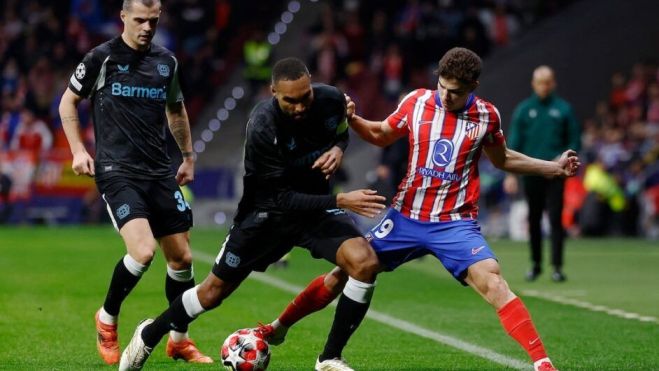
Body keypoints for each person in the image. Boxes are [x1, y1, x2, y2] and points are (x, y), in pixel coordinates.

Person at [258, 48, 580, 371]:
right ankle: (278, 328)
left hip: (455, 223)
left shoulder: (486, 116)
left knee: (494, 283)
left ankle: (542, 363)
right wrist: (352, 118)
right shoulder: (417, 102)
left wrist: (553, 168)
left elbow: (504, 158)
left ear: (473, 87)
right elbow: (382, 134)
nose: (447, 96)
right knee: (347, 270)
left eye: (456, 92)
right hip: (406, 217)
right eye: (442, 86)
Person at [119, 57, 387, 371]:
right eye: (291, 101)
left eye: (305, 98)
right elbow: (280, 197)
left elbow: (340, 132)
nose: (300, 107)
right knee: (212, 293)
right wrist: (340, 199)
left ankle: (329, 357)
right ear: (273, 92)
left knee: (364, 263)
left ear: (311, 85)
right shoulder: (263, 126)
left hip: (314, 211)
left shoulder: (330, 99)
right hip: (265, 216)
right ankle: (149, 333)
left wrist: (339, 148)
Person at [58, 0, 212, 365]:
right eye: (139, 20)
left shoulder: (166, 62)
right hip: (117, 170)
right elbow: (67, 103)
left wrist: (188, 156)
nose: (146, 27)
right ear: (123, 17)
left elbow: (176, 109)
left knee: (182, 258)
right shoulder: (101, 58)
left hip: (159, 170)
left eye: (153, 21)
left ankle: (179, 340)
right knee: (144, 251)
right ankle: (107, 318)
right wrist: (78, 150)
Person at [503, 65, 581, 282]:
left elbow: (574, 139)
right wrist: (511, 174)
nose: (544, 86)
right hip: (532, 171)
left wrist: (565, 160)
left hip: (557, 173)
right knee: (534, 218)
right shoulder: (524, 110)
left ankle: (557, 266)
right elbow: (513, 144)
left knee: (556, 219)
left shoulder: (563, 109)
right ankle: (535, 264)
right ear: (533, 84)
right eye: (540, 82)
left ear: (553, 83)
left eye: (547, 82)